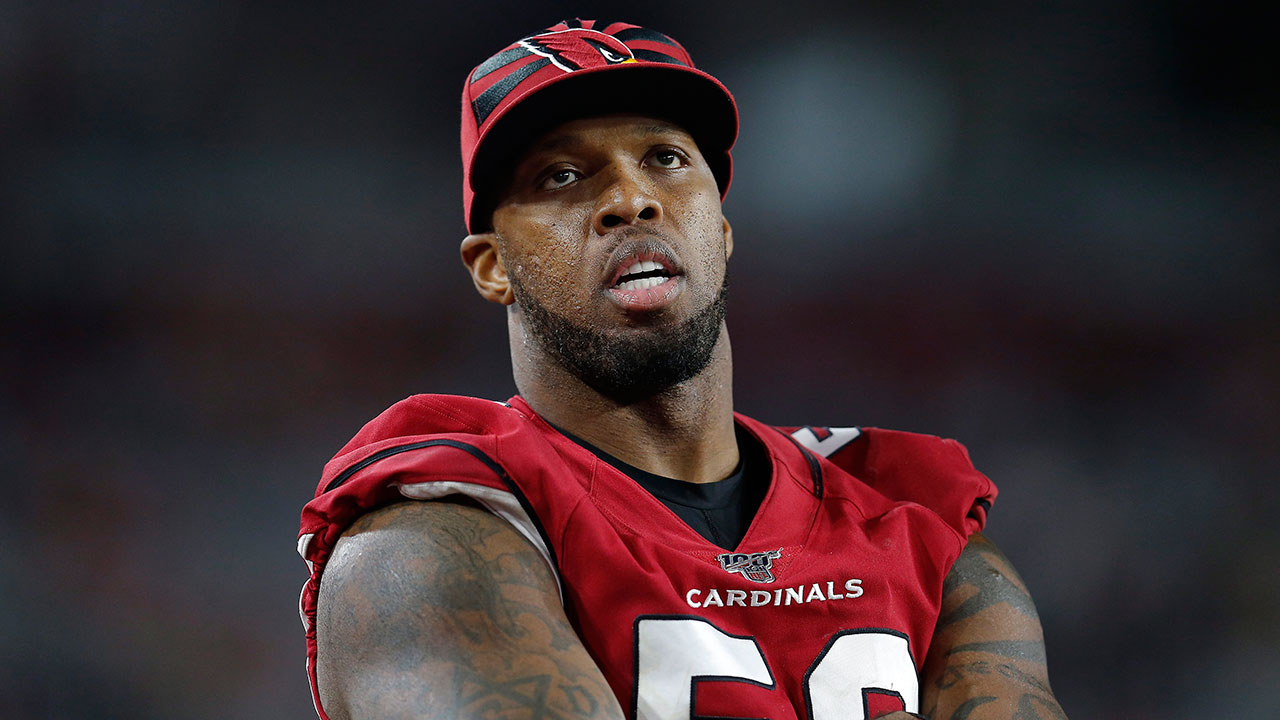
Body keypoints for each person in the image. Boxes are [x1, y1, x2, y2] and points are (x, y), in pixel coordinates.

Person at [297, 19, 1068, 720]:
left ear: (722, 230)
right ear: (493, 266)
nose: (630, 198)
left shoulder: (918, 520)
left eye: (665, 159)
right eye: (561, 176)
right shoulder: (426, 541)